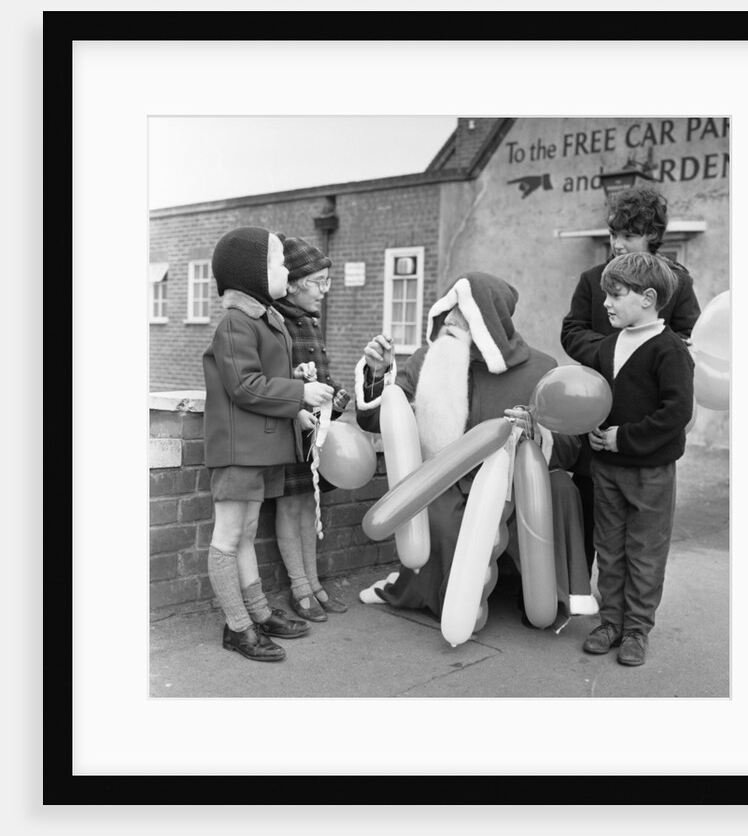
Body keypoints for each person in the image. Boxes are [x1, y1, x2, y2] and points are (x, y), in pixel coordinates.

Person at [354, 271, 597, 623]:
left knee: (561, 489)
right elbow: (383, 423)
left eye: (463, 311)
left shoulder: (541, 367)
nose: (450, 319)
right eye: (449, 307)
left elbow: (571, 447)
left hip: (516, 480)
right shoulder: (426, 359)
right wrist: (378, 375)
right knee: (440, 514)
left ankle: (548, 599)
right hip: (448, 480)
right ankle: (442, 598)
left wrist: (537, 433)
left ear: (490, 320)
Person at [202, 227, 334, 662]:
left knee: (245, 535)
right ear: (254, 273)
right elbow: (245, 386)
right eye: (278, 262)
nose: (286, 269)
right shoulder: (235, 323)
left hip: (258, 448)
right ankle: (237, 626)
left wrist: (294, 410)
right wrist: (299, 395)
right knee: (229, 536)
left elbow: (260, 386)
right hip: (239, 450)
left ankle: (256, 612)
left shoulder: (262, 319)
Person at [560, 186, 701, 575]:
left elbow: (691, 338)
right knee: (590, 508)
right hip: (594, 412)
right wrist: (614, 350)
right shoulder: (594, 279)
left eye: (628, 235)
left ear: (652, 236)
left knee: (640, 531)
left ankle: (630, 615)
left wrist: (643, 356)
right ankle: (576, 593)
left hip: (643, 420)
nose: (617, 243)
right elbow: (571, 331)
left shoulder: (678, 282)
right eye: (613, 234)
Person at [581, 251, 695, 666]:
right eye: (605, 294)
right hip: (606, 470)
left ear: (648, 297)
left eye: (615, 294)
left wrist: (623, 439)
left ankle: (636, 629)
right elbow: (588, 397)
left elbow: (676, 411)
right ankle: (610, 621)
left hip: (650, 472)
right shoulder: (608, 345)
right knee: (608, 550)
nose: (606, 302)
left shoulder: (669, 350)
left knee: (645, 553)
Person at [271, 234, 351, 623]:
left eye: (327, 281)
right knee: (291, 505)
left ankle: (314, 584)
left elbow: (323, 375)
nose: (325, 291)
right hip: (289, 426)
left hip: (313, 430)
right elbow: (270, 378)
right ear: (295, 282)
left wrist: (337, 395)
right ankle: (300, 588)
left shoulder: (310, 322)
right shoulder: (274, 321)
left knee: (309, 505)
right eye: (319, 282)